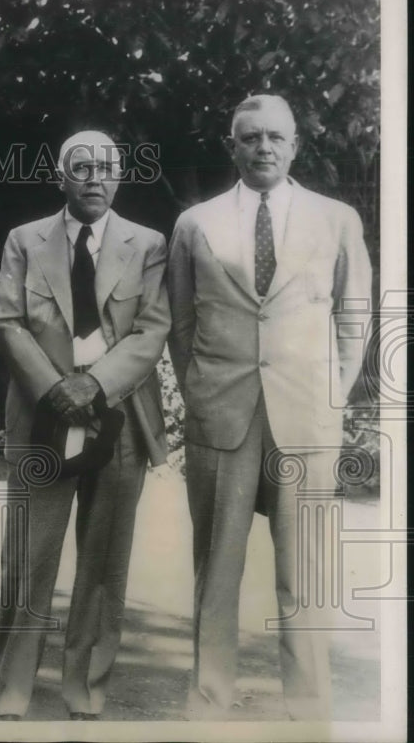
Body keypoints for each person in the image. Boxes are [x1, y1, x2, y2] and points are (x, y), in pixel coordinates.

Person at [167, 94, 372, 720]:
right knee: (216, 570)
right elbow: (180, 325)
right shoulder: (196, 223)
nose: (264, 148)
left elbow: (353, 318)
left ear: (295, 145)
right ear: (232, 145)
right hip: (221, 414)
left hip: (305, 416)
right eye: (250, 137)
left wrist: (331, 399)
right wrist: (201, 392)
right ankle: (210, 699)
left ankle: (309, 707)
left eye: (275, 137)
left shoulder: (335, 219)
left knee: (304, 573)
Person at [0, 129, 170, 721]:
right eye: (82, 167)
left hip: (117, 418)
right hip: (44, 419)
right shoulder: (25, 241)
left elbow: (150, 330)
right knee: (28, 558)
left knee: (103, 561)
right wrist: (56, 388)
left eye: (106, 168)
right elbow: (9, 321)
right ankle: (11, 690)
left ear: (119, 177)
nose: (95, 178)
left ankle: (84, 688)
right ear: (60, 177)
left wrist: (94, 384)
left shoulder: (147, 244)